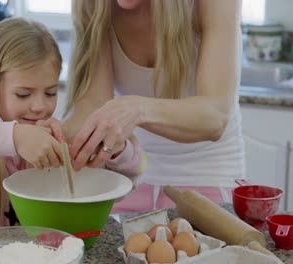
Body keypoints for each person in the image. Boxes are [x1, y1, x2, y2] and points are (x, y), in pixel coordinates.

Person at [0, 17, 146, 231]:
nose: (39, 106)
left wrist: (117, 150)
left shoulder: (61, 145)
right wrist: (14, 137)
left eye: (50, 92)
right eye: (23, 94)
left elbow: (130, 179)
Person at [63, 0, 244, 213]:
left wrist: (137, 109)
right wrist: (56, 136)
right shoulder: (97, 6)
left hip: (208, 176)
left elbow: (214, 117)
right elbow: (92, 107)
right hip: (131, 178)